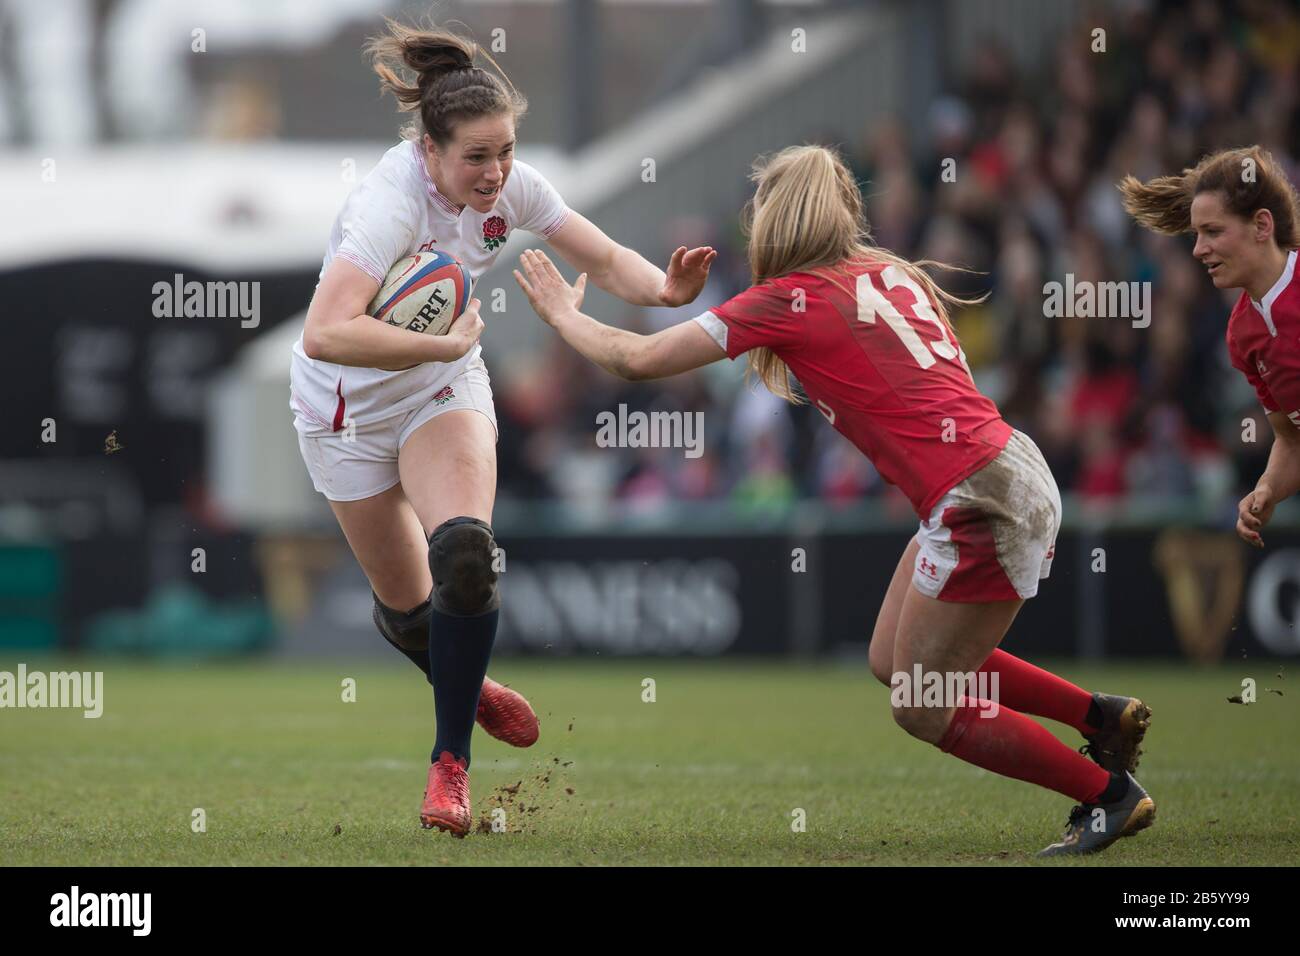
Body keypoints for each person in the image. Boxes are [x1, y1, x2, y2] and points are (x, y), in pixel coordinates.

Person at [514, 144, 1156, 856]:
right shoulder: (889, 270)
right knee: (893, 658)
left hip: (977, 496)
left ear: (775, 219)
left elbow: (637, 360)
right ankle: (1099, 719)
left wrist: (561, 317)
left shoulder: (788, 298)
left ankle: (1106, 796)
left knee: (920, 703)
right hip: (1003, 467)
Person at [289, 19, 716, 836]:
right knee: (412, 613)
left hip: (438, 390)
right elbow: (323, 332)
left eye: (507, 151)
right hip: (342, 411)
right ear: (430, 151)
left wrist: (663, 289)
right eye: (477, 158)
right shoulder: (387, 207)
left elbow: (601, 255)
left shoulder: (510, 187)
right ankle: (467, 684)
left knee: (464, 559)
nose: (497, 173)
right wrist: (436, 340)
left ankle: (449, 766)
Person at [1121, 146, 1300, 548]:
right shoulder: (1241, 334)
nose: (1198, 249)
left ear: (1262, 226)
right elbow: (1291, 439)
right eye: (1197, 234)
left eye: (1213, 232)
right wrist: (1268, 488)